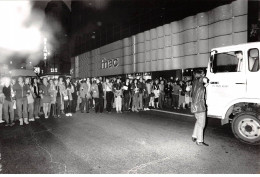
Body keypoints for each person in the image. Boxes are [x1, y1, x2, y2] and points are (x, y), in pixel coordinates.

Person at [191, 70, 209, 146]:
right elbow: (205, 79)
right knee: (201, 124)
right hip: (200, 107)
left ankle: (194, 136)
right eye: (203, 74)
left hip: (194, 106)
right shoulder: (201, 81)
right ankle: (199, 141)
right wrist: (205, 80)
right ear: (200, 76)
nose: (204, 75)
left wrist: (205, 85)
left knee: (198, 121)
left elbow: (199, 89)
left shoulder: (195, 83)